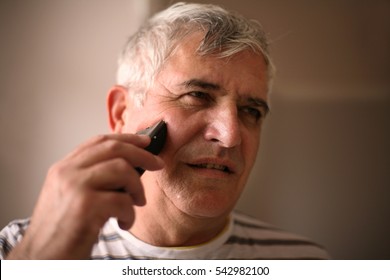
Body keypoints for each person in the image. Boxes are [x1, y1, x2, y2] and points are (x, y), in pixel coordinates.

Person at [0, 2, 329, 260]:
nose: (230, 136)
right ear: (121, 112)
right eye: (197, 96)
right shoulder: (17, 250)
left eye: (250, 111)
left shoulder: (305, 262)